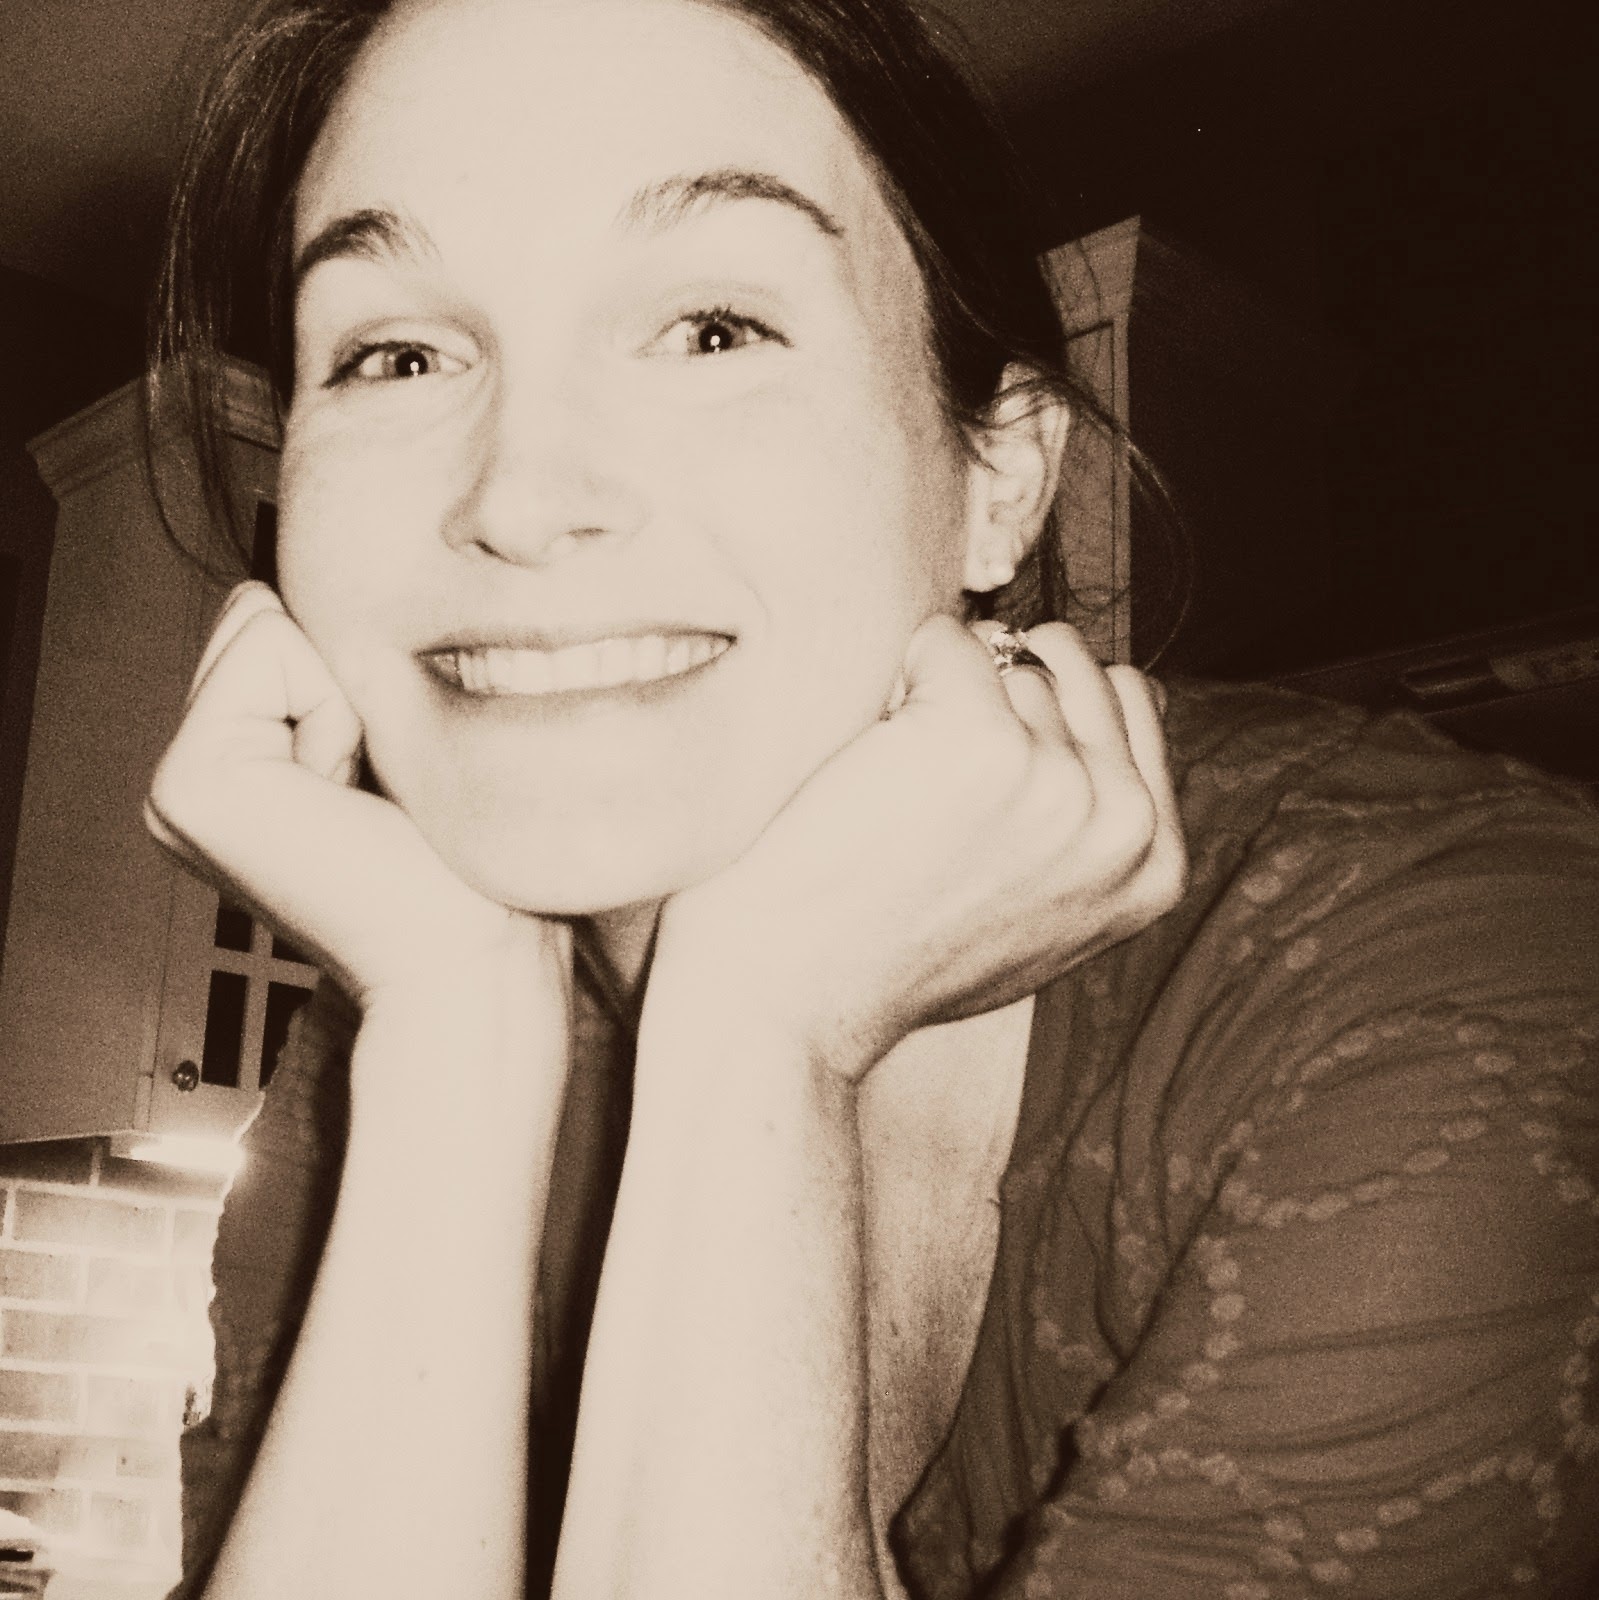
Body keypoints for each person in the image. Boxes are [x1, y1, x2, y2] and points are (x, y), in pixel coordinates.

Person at [144, 0, 1599, 1595]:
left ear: (1001, 481)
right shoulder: (394, 1022)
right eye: (398, 353)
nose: (522, 498)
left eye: (712, 329)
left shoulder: (1463, 969)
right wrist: (448, 1027)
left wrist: (759, 1028)